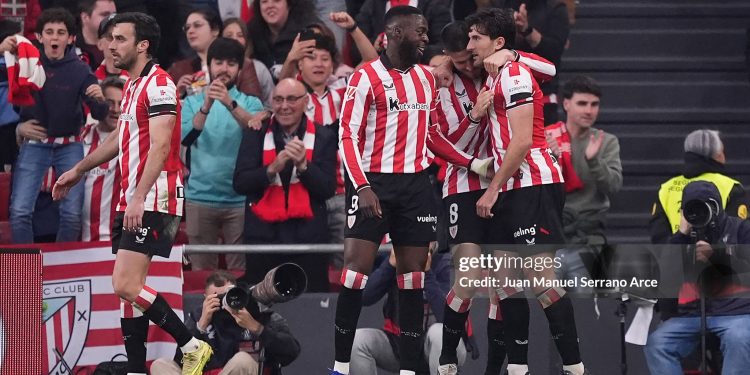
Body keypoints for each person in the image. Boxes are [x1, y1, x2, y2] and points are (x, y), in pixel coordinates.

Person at [331, 6, 493, 375]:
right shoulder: (365, 77)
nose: (425, 36)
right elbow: (347, 137)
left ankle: (407, 369)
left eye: (425, 30)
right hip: (373, 182)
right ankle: (339, 366)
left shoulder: (425, 78)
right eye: (419, 30)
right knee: (355, 273)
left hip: (416, 186)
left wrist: (473, 163)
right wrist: (363, 186)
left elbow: (432, 133)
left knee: (413, 276)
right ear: (394, 32)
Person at [52, 12, 213, 375]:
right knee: (129, 294)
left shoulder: (159, 84)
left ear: (143, 45)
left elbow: (159, 147)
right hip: (135, 195)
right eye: (109, 38)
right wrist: (80, 169)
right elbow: (119, 138)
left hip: (154, 196)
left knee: (125, 284)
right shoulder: (133, 85)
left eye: (120, 38)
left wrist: (138, 196)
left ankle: (192, 345)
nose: (110, 45)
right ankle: (138, 370)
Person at [466, 8, 587, 375]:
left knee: (541, 283)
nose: (470, 44)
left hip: (532, 183)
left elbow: (519, 143)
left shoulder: (514, 74)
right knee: (503, 284)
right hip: (510, 187)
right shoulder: (496, 76)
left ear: (497, 43)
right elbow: (548, 68)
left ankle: (575, 368)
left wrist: (491, 191)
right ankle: (517, 370)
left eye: (476, 38)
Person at [432, 20, 557, 375]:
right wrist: (474, 115)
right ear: (448, 58)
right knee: (470, 278)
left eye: (472, 56)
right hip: (463, 185)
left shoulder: (500, 66)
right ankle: (446, 360)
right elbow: (446, 143)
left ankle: (494, 369)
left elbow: (549, 68)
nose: (470, 65)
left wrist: (511, 53)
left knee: (503, 285)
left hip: (506, 183)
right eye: (460, 61)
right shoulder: (439, 82)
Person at [3, 7, 108, 244]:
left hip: (69, 146)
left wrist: (100, 99)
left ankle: (62, 273)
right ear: (39, 37)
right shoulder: (27, 64)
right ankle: (25, 275)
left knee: (71, 216)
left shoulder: (81, 70)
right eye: (49, 32)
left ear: (70, 38)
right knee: (20, 213)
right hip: (35, 144)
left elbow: (101, 113)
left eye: (61, 32)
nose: (54, 37)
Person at [233, 78, 337, 292]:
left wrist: (304, 166)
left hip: (308, 241)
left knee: (310, 306)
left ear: (306, 101)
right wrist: (271, 169)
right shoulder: (256, 133)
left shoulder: (323, 136)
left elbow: (327, 189)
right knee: (260, 307)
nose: (284, 106)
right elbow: (240, 182)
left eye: (291, 99)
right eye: (278, 100)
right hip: (264, 239)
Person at [645, 180, 750, 375]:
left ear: (717, 206)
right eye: (692, 208)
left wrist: (717, 258)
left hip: (736, 312)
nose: (700, 213)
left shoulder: (741, 230)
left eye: (705, 206)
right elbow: (665, 277)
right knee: (657, 343)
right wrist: (681, 235)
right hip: (692, 314)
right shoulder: (683, 239)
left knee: (740, 338)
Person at [181, 37, 264, 271]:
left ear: (239, 69)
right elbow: (187, 138)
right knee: (201, 272)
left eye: (231, 63)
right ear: (209, 66)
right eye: (218, 62)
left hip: (239, 199)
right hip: (199, 198)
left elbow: (255, 129)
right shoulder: (191, 102)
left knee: (239, 271)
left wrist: (230, 103)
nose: (224, 69)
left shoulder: (251, 103)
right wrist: (206, 105)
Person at [150, 270, 301, 375]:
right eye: (216, 297)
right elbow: (181, 362)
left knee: (243, 361)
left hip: (243, 370)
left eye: (227, 295)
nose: (222, 301)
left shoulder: (257, 313)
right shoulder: (198, 316)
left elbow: (291, 352)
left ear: (238, 293)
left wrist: (255, 327)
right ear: (205, 298)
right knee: (160, 365)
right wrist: (201, 326)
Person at [351, 250, 473, 374]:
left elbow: (449, 318)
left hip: (445, 348)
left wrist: (427, 274)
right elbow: (363, 298)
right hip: (399, 345)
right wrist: (390, 265)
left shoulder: (448, 262)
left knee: (439, 332)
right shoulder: (390, 258)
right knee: (357, 341)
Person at [546, 75, 622, 245]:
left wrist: (594, 160)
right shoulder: (547, 138)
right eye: (582, 103)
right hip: (551, 231)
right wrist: (550, 159)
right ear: (566, 104)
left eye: (594, 104)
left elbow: (613, 186)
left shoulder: (606, 141)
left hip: (591, 234)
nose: (589, 110)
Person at [650, 129, 749, 244]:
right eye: (722, 151)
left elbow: (658, 239)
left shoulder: (666, 188)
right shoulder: (731, 187)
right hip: (719, 259)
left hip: (676, 258)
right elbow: (737, 236)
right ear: (717, 155)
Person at [170, 8, 263, 100]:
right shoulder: (179, 69)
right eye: (187, 28)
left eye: (197, 25)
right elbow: (165, 108)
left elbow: (254, 107)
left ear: (215, 30)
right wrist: (179, 93)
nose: (190, 31)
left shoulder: (243, 64)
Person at [80, 77, 124, 241]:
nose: (115, 109)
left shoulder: (134, 141)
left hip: (118, 241)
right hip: (79, 239)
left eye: (121, 103)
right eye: (110, 102)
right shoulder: (81, 137)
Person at [354, 0, 451, 64]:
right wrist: (374, 45)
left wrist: (409, 46)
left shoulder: (435, 5)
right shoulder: (373, 4)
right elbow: (354, 49)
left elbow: (443, 45)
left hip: (418, 68)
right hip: (380, 68)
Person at [248, 0, 323, 79]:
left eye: (276, 1)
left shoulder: (309, 29)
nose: (270, 6)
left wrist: (291, 59)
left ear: (289, 4)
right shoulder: (252, 30)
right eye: (264, 1)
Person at [221, 18, 275, 107]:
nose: (235, 39)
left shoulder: (259, 68)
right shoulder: (215, 67)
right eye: (229, 36)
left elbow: (271, 102)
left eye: (240, 35)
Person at [76, 0, 116, 70]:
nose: (111, 19)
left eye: (114, 15)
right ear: (85, 17)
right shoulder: (70, 50)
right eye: (105, 14)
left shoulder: (123, 46)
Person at [94, 13, 129, 82]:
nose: (115, 43)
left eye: (120, 37)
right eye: (110, 37)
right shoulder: (91, 81)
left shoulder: (143, 78)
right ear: (100, 44)